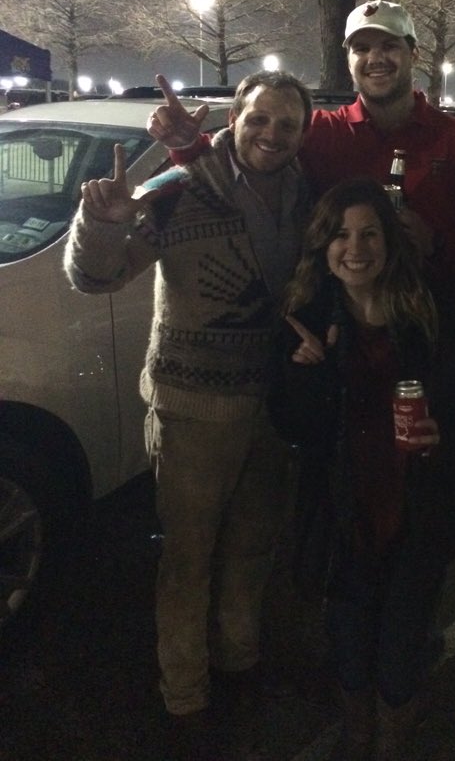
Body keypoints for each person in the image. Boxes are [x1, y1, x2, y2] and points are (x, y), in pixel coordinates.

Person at [64, 71, 314, 759]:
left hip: (272, 407)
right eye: (259, 119)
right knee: (188, 559)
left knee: (254, 547)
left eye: (286, 125)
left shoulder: (303, 195)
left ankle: (240, 662)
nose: (271, 134)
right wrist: (101, 222)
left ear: (302, 135)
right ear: (235, 118)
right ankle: (185, 697)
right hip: (193, 410)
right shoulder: (179, 190)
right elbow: (94, 277)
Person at [268, 178, 455, 761]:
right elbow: (294, 428)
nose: (355, 247)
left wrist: (448, 431)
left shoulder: (430, 309)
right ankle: (358, 733)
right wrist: (305, 372)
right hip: (345, 515)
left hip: (418, 511)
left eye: (368, 233)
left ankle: (393, 735)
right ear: (323, 245)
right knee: (349, 638)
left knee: (400, 646)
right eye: (340, 235)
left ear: (389, 241)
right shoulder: (308, 315)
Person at [149, 0, 455, 291]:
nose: (375, 58)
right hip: (341, 338)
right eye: (361, 48)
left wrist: (436, 243)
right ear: (349, 61)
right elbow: (240, 155)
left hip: (438, 326)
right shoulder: (319, 131)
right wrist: (186, 145)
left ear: (415, 54)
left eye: (389, 45)